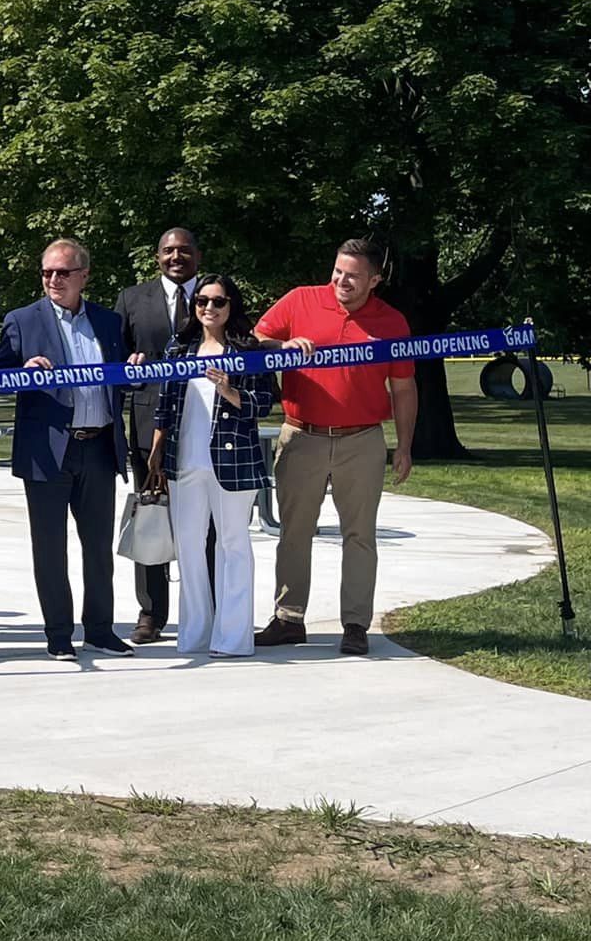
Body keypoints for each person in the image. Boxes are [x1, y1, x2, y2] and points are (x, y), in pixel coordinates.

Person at [252, 238, 418, 656]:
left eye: (353, 276)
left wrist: (404, 446)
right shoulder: (300, 300)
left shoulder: (392, 321)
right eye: (338, 271)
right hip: (300, 435)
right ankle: (288, 618)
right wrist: (281, 347)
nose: (342, 281)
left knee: (360, 535)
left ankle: (356, 624)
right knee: (294, 532)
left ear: (374, 280)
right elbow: (255, 339)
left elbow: (403, 387)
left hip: (361, 440)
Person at [0, 238, 132, 658]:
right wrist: (23, 371)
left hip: (98, 445)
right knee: (50, 548)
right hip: (48, 449)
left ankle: (100, 630)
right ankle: (58, 634)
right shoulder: (22, 320)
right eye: (47, 272)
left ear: (84, 276)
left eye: (63, 272)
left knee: (98, 547)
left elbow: (124, 379)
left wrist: (135, 369)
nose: (53, 279)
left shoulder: (108, 322)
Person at [146, 274, 276, 657]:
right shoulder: (179, 348)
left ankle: (233, 637)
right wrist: (157, 447)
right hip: (185, 461)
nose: (209, 308)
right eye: (202, 301)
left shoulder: (247, 350)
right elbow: (165, 404)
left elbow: (264, 402)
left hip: (234, 460)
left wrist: (230, 391)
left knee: (233, 544)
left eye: (218, 301)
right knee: (188, 547)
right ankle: (196, 633)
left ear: (231, 305)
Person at [113, 227, 203, 644]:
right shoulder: (132, 299)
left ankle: (205, 609)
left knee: (206, 524)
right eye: (168, 251)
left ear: (197, 256)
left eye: (184, 250)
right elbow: (116, 363)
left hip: (204, 425)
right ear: (157, 257)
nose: (176, 257)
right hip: (149, 430)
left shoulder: (215, 296)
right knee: (151, 515)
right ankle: (151, 612)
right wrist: (129, 372)